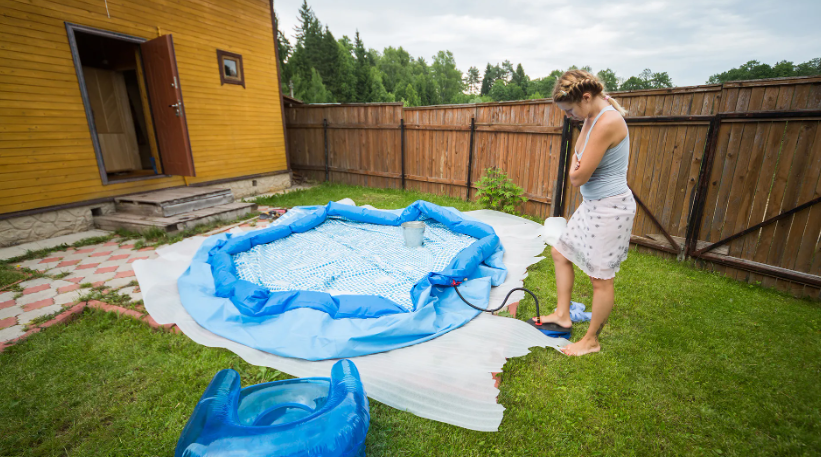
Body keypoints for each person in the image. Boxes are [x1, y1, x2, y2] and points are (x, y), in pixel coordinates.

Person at [541, 70, 635, 356]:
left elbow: (577, 176)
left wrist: (575, 167)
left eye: (570, 110)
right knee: (561, 253)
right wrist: (576, 165)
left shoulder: (607, 121)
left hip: (610, 209)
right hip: (593, 205)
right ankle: (562, 314)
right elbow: (578, 160)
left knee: (601, 279)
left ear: (585, 97)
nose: (569, 116)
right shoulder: (591, 117)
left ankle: (591, 341)